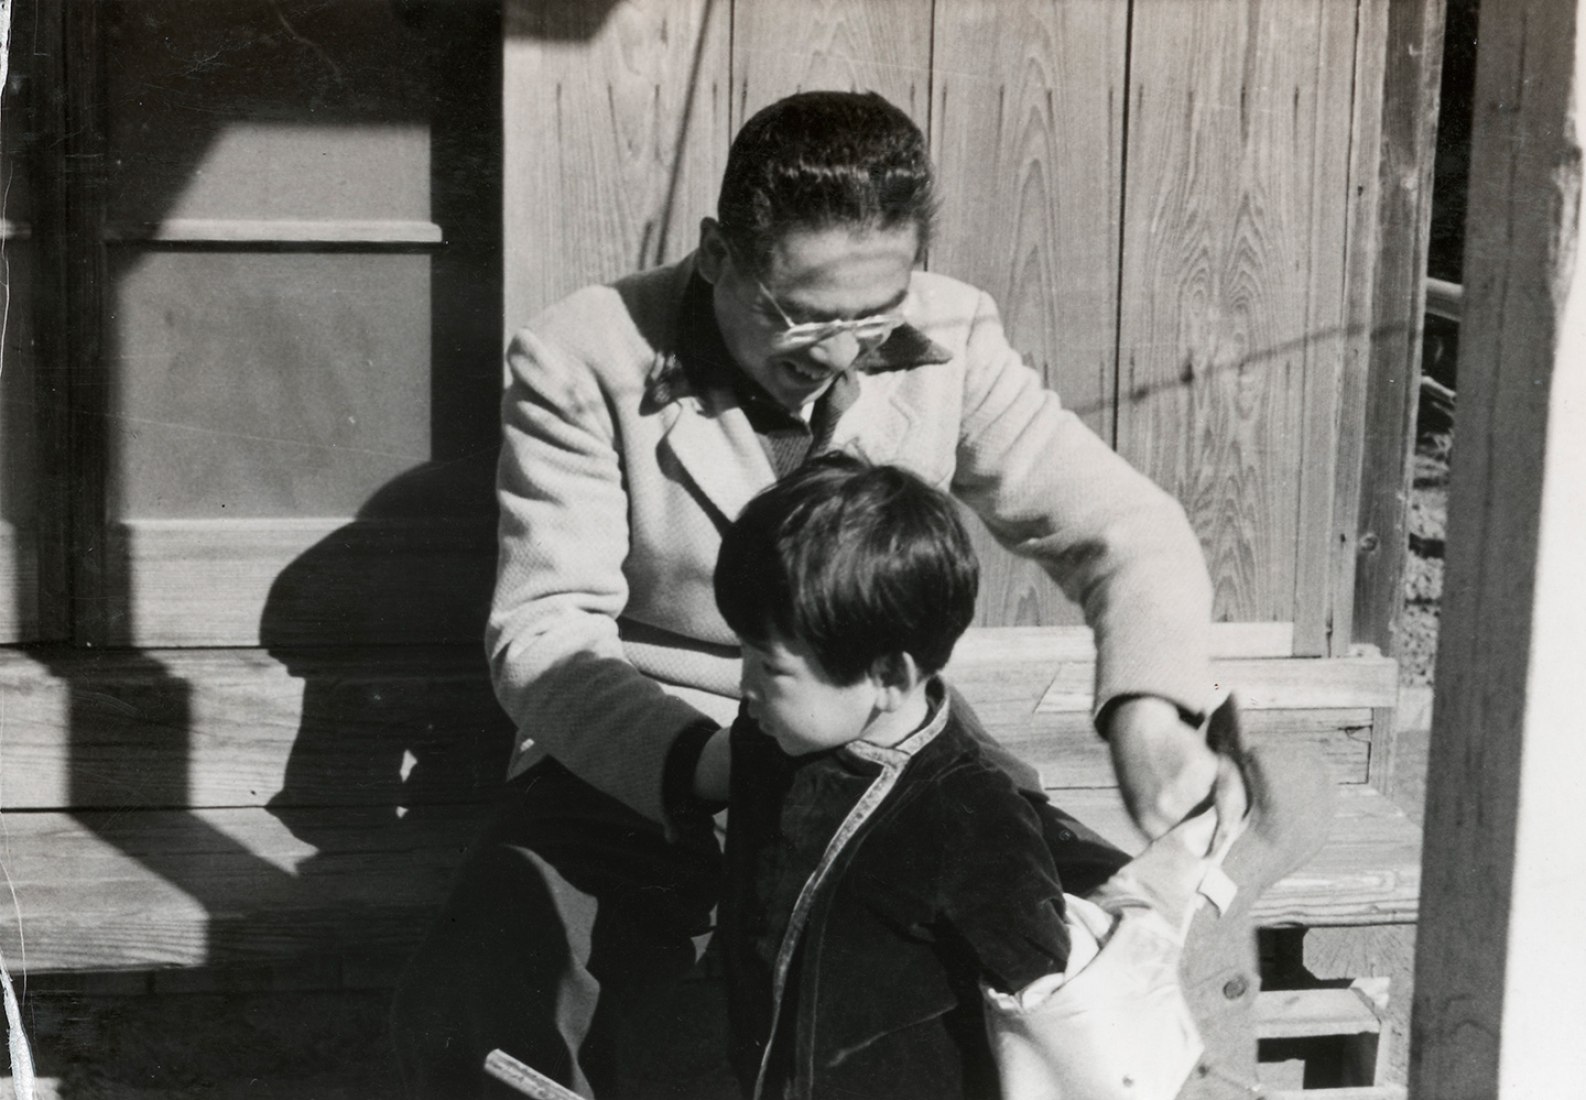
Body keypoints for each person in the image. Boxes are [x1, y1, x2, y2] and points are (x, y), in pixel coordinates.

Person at [392, 89, 1240, 1098]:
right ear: (718, 253)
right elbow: (544, 630)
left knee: (1073, 957)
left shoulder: (949, 334)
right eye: (800, 316)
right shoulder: (583, 354)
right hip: (649, 755)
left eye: (872, 316)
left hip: (878, 741)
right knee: (501, 1000)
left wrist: (1147, 713)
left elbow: (1127, 528)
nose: (839, 353)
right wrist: (722, 767)